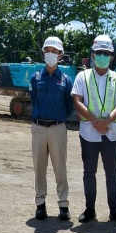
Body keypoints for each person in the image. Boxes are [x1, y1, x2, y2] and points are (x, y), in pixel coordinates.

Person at [72, 35, 116, 225]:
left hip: (110, 134)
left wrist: (106, 122)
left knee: (112, 174)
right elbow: (77, 101)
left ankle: (115, 211)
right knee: (89, 173)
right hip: (88, 133)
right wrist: (96, 121)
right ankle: (90, 210)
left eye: (106, 53)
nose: (102, 56)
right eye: (99, 53)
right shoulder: (83, 76)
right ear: (93, 54)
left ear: (112, 56)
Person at [29, 36, 74, 221]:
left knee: (59, 167)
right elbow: (33, 100)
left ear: (60, 55)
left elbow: (69, 105)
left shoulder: (65, 80)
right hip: (39, 127)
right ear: (43, 53)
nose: (51, 54)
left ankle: (63, 205)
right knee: (39, 167)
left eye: (54, 51)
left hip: (58, 128)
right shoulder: (36, 78)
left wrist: (60, 119)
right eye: (47, 50)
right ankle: (40, 204)